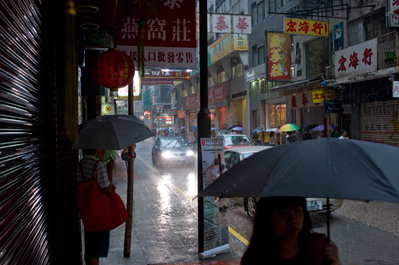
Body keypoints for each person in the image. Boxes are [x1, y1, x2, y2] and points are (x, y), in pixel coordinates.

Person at [241, 197, 341, 265]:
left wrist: (335, 262)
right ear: (266, 219)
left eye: (297, 211)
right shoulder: (254, 259)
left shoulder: (318, 248)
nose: (293, 220)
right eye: (282, 213)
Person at [78, 149, 115, 265]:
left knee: (90, 246)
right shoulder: (98, 166)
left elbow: (92, 180)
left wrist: (102, 159)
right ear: (96, 149)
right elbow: (108, 189)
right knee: (95, 251)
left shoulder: (80, 164)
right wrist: (109, 171)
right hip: (98, 213)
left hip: (87, 210)